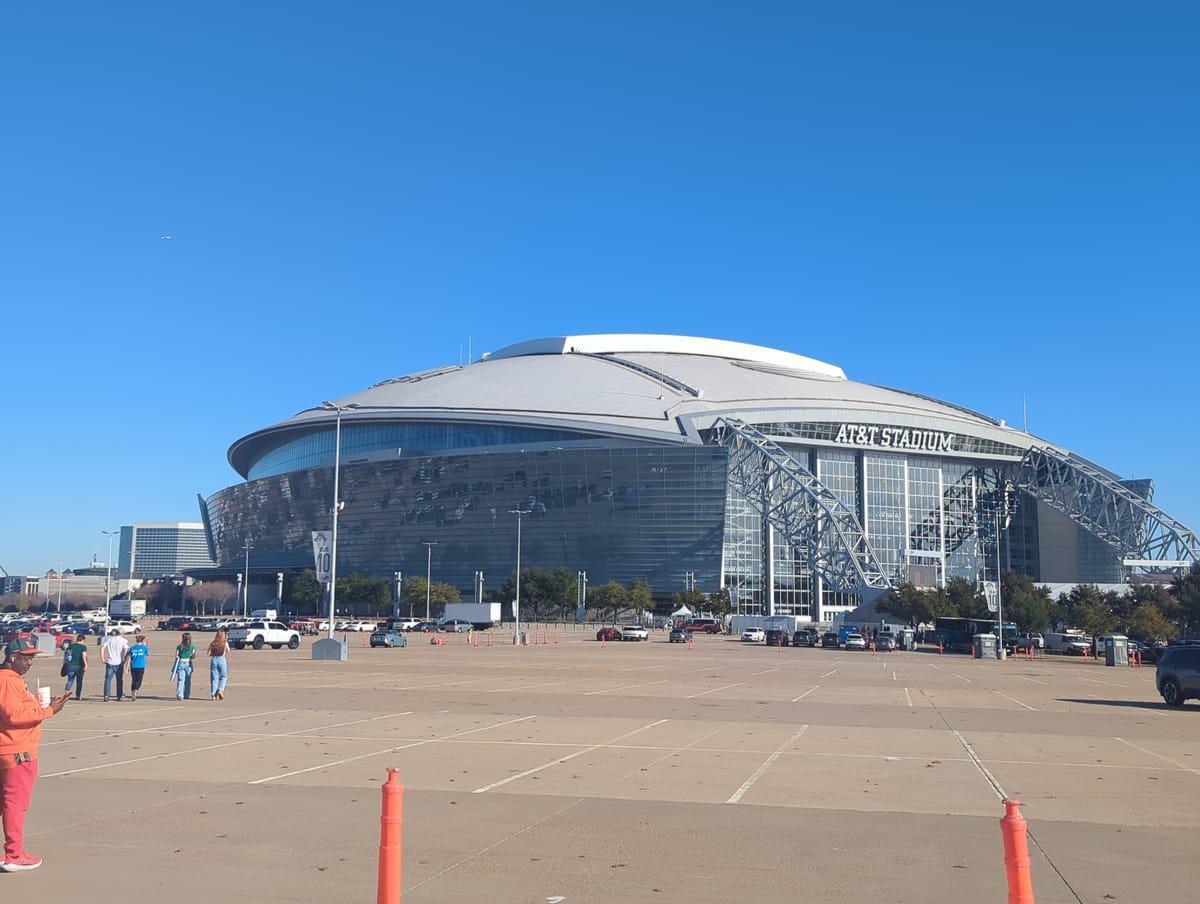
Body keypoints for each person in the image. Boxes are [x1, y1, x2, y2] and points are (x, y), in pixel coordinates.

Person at [0, 637, 70, 872]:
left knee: (6, 804)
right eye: (26, 657)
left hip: (8, 749)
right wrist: (48, 711)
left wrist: (41, 708)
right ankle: (14, 854)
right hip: (17, 750)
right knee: (15, 804)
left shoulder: (10, 680)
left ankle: (14, 853)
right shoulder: (9, 681)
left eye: (32, 657)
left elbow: (16, 710)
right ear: (12, 657)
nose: (30, 662)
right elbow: (13, 715)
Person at [100, 629, 130, 702]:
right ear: (121, 633)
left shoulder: (110, 640)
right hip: (119, 663)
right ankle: (119, 695)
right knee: (119, 680)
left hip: (110, 662)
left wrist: (102, 658)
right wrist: (124, 659)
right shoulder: (123, 641)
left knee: (108, 680)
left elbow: (102, 647)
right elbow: (126, 650)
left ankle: (106, 695)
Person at [63, 633, 89, 701]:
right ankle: (78, 695)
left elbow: (66, 654)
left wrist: (65, 662)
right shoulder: (83, 647)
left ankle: (67, 691)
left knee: (70, 680)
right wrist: (86, 664)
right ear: (83, 640)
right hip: (79, 666)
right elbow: (84, 656)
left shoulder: (71, 646)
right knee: (79, 681)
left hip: (70, 665)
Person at [173, 633, 197, 700]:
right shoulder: (192, 647)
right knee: (188, 680)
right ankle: (186, 694)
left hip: (181, 662)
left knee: (181, 680)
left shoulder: (179, 646)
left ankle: (180, 694)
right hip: (188, 662)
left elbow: (176, 656)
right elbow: (193, 656)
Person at [208, 629, 230, 701]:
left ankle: (213, 695)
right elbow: (228, 650)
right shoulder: (225, 643)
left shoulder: (213, 643)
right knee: (223, 676)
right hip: (222, 659)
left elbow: (208, 653)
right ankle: (220, 690)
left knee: (214, 678)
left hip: (214, 659)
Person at [127, 635, 149, 701]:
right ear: (142, 641)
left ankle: (133, 692)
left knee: (134, 680)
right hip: (140, 666)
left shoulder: (132, 648)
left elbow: (129, 658)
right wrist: (145, 645)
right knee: (139, 680)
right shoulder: (144, 647)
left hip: (133, 666)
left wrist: (127, 667)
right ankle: (135, 690)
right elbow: (148, 654)